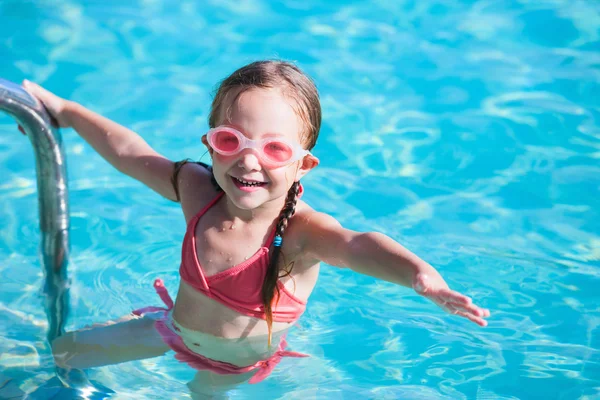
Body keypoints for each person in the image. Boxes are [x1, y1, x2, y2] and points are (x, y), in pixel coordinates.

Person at [20, 60, 490, 397]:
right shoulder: (198, 191)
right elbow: (129, 152)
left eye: (274, 150)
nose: (248, 159)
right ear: (211, 144)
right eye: (231, 140)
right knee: (61, 353)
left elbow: (358, 245)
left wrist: (417, 274)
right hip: (170, 329)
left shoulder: (303, 235)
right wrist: (64, 109)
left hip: (229, 368)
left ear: (304, 164)